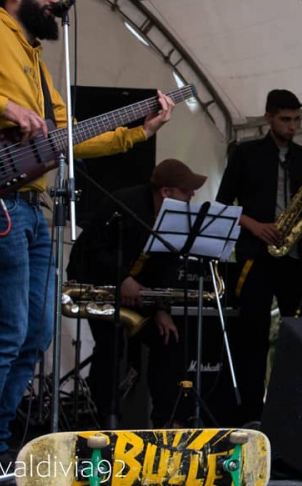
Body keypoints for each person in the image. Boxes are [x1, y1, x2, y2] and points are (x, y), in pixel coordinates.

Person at [0, 0, 175, 470]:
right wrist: (5, 107)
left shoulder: (37, 60)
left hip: (31, 204)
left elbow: (72, 138)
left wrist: (140, 131)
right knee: (4, 327)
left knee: (38, 330)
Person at [67, 159, 207, 428]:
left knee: (168, 340)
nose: (192, 196)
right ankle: (105, 421)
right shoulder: (124, 203)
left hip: (136, 290)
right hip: (98, 284)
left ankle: (166, 421)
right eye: (186, 190)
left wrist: (161, 309)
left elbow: (165, 265)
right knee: (110, 346)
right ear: (166, 192)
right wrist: (122, 280)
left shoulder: (174, 220)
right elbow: (91, 251)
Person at [216, 89, 302, 425]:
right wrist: (254, 226)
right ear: (269, 117)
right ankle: (250, 416)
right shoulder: (245, 154)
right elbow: (222, 203)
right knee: (252, 337)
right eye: (285, 119)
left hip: (296, 255)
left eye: (296, 119)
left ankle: (297, 414)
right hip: (255, 255)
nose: (292, 126)